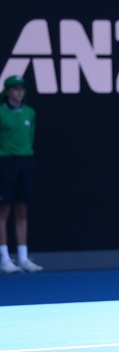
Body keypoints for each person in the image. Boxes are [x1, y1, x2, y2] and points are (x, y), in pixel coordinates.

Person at [0, 75, 43, 274]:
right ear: (7, 92)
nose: (19, 92)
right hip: (5, 162)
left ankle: (23, 258)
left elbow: (30, 137)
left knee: (22, 211)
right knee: (4, 211)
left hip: (25, 162)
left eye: (22, 88)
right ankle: (5, 258)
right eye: (15, 89)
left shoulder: (30, 113)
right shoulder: (0, 113)